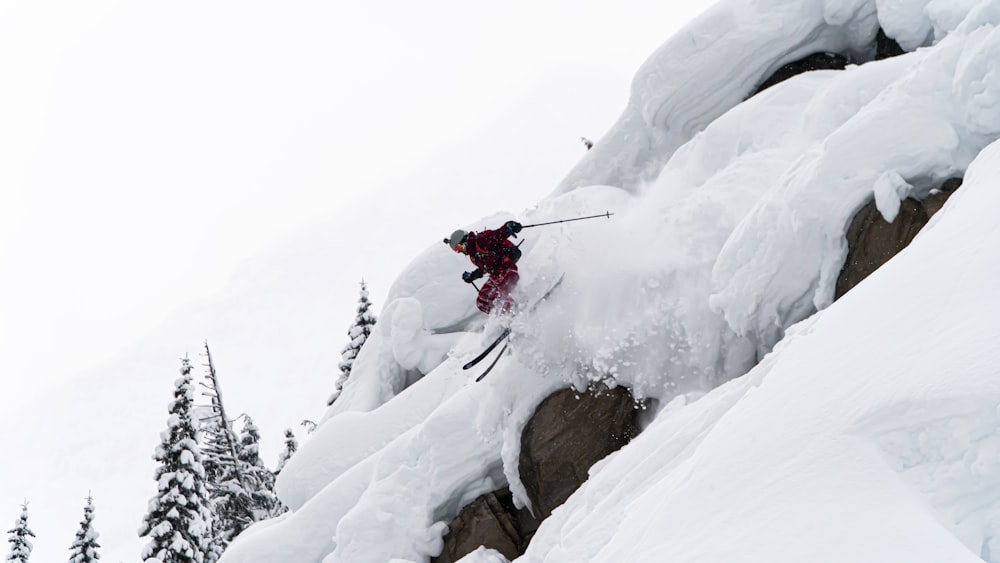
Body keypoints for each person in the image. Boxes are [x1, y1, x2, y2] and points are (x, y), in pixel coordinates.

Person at [445, 220, 523, 314]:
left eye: (459, 248)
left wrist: (508, 226)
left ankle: (514, 311)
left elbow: (498, 234)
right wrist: (473, 276)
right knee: (482, 302)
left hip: (506, 271)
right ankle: (501, 317)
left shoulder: (481, 240)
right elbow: (486, 267)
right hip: (499, 276)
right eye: (456, 250)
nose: (460, 251)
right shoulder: (474, 256)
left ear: (464, 241)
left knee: (485, 295)